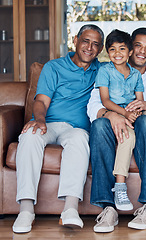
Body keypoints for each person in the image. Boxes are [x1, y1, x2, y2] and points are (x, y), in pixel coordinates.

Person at [12, 24, 104, 233]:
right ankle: (26, 210)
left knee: (80, 139)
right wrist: (40, 120)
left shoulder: (102, 70)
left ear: (100, 49)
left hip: (76, 129)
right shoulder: (53, 67)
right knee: (30, 135)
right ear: (76, 41)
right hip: (49, 124)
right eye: (86, 41)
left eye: (96, 44)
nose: (89, 47)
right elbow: (41, 101)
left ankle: (70, 209)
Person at [87, 27, 146, 233]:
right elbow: (95, 104)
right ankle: (108, 208)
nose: (142, 51)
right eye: (138, 45)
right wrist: (112, 114)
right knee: (99, 124)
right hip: (114, 125)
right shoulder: (107, 71)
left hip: (144, 126)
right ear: (131, 48)